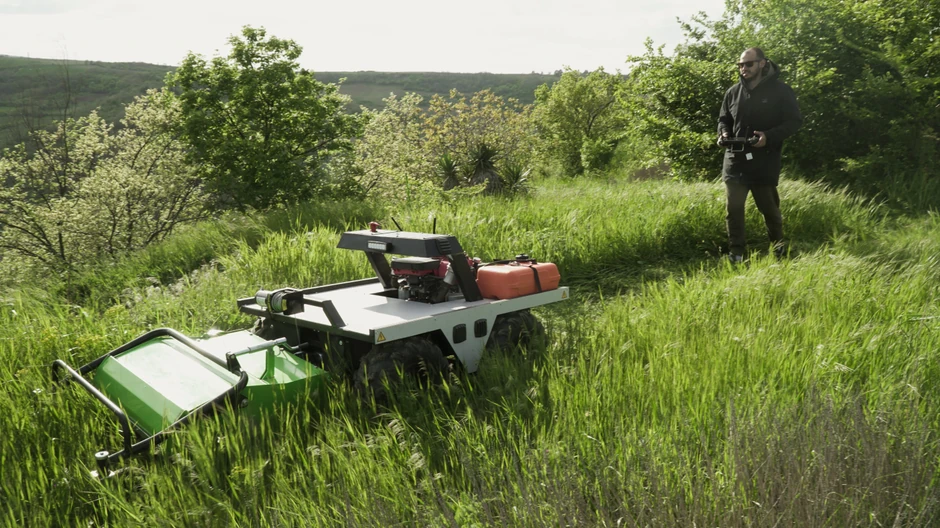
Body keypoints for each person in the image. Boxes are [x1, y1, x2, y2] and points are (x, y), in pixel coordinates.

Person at [718, 47, 802, 262]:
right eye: (740, 65)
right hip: (735, 161)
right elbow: (723, 119)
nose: (743, 68)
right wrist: (724, 133)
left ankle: (779, 249)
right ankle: (736, 254)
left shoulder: (781, 91)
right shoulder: (732, 92)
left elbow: (794, 122)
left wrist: (768, 136)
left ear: (762, 63)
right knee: (733, 211)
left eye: (748, 64)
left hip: (764, 161)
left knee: (769, 209)